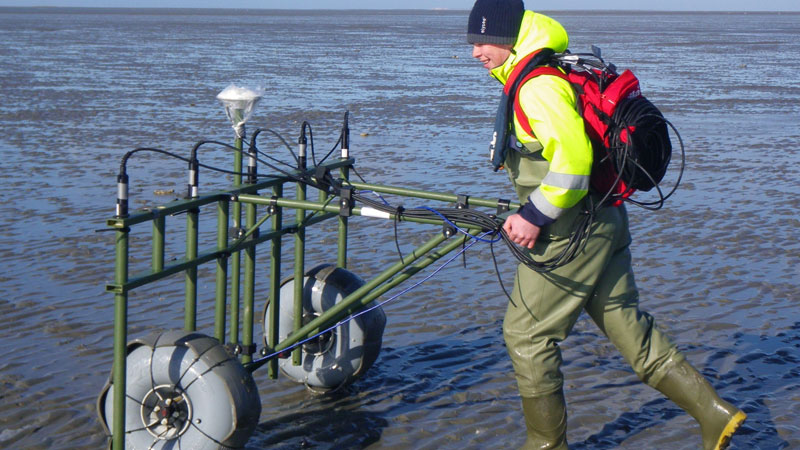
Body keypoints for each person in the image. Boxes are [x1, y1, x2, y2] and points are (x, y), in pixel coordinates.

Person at [466, 1, 747, 448]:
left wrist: (533, 215)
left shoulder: (535, 86)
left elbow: (574, 162)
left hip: (570, 232)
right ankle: (715, 414)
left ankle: (545, 445)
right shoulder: (548, 69)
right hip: (605, 219)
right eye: (472, 42)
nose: (475, 52)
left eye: (483, 41)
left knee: (526, 334)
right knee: (626, 325)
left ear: (509, 38)